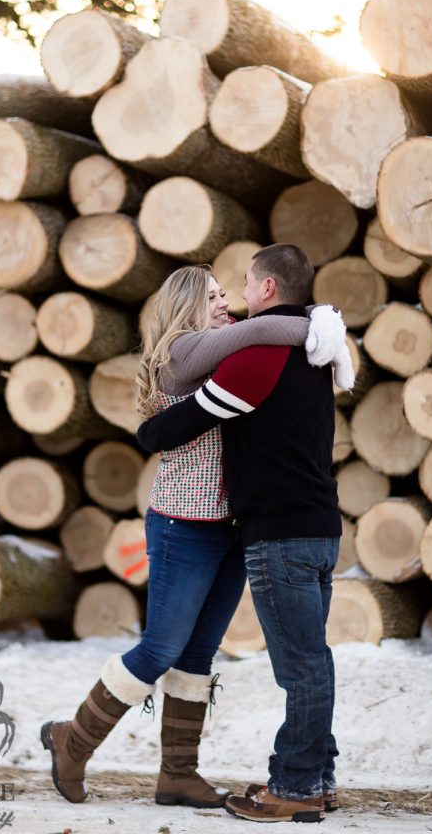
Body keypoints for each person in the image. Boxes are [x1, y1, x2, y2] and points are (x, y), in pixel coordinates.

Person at [41, 263, 347, 809]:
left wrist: (317, 323)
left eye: (226, 295)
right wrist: (316, 322)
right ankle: (74, 739)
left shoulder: (220, 350)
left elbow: (257, 339)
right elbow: (260, 330)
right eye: (213, 297)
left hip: (231, 526)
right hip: (183, 524)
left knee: (199, 656)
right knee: (161, 646)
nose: (225, 304)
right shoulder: (183, 352)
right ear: (185, 305)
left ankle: (178, 774)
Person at [137, 244, 353, 824]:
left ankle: (297, 786)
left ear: (266, 289)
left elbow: (192, 416)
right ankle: (318, 777)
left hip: (280, 531)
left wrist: (147, 432)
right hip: (317, 525)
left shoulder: (260, 354)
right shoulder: (313, 352)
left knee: (301, 667)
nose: (233, 298)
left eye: (242, 285)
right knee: (313, 660)